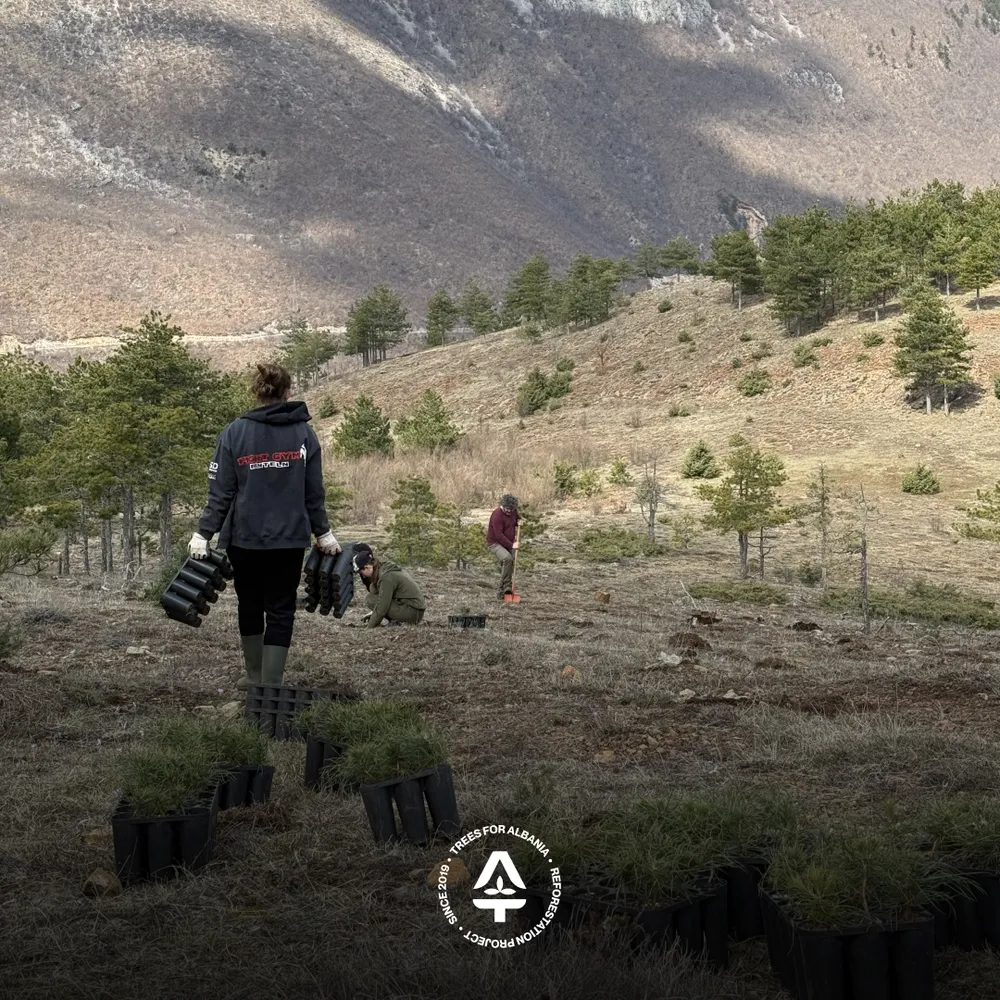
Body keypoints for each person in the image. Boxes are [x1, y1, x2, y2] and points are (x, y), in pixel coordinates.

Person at [189, 363, 341, 688]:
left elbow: (221, 492)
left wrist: (203, 534)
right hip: (288, 541)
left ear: (257, 393)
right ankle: (271, 683)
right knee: (281, 608)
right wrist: (323, 533)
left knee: (250, 604)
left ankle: (254, 676)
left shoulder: (234, 433)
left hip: (244, 540)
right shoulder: (304, 434)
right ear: (288, 393)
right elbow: (314, 493)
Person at [352, 546, 426, 627]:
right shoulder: (384, 568)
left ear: (367, 567)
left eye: (361, 571)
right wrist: (373, 614)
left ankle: (399, 622)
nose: (362, 575)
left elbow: (382, 606)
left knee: (370, 599)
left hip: (413, 613)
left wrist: (370, 627)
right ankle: (396, 621)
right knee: (373, 589)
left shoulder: (386, 577)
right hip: (413, 610)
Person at [486, 493, 523, 600]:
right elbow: (499, 535)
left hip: (507, 543)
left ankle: (505, 591)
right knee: (507, 559)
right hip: (494, 543)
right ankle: (503, 588)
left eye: (511, 509)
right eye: (507, 509)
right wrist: (512, 545)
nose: (509, 511)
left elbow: (517, 519)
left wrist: (520, 521)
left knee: (509, 564)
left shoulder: (513, 511)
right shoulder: (497, 515)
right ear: (503, 505)